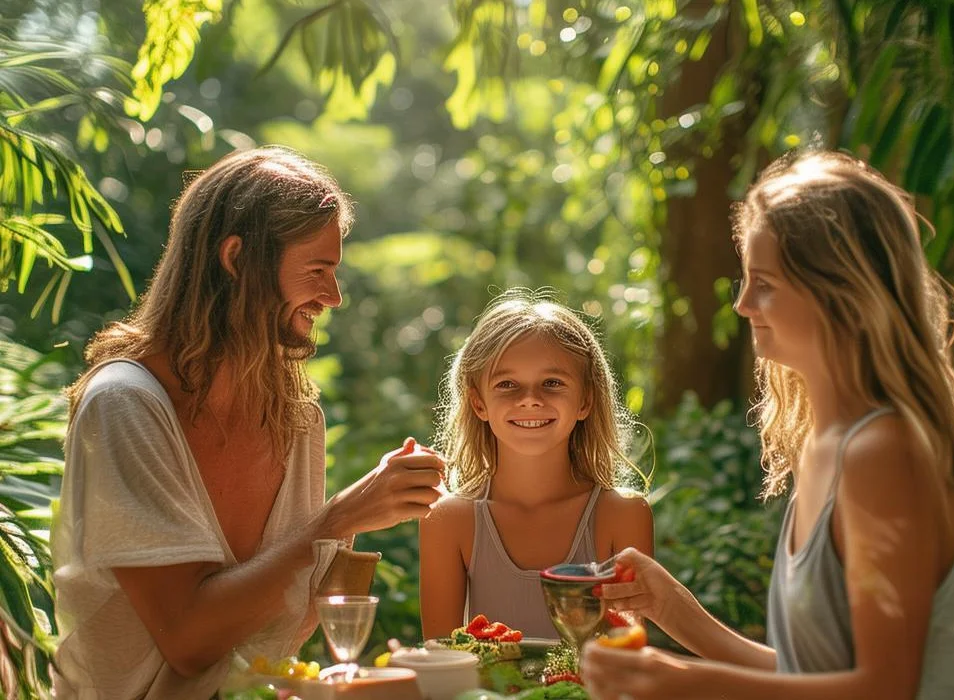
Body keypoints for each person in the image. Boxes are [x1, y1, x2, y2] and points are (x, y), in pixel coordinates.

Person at [581, 150, 954, 699]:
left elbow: (884, 690)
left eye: (766, 282)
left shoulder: (881, 452)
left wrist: (679, 683)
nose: (745, 304)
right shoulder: (830, 443)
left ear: (841, 293)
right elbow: (811, 676)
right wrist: (674, 612)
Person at [52, 146, 447, 699]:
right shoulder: (126, 405)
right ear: (236, 259)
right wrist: (338, 517)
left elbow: (286, 630)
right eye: (317, 271)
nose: (333, 297)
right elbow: (189, 643)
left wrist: (365, 518)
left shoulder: (293, 414)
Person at [419, 290, 654, 640]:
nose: (530, 399)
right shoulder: (447, 520)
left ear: (586, 400)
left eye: (552, 383)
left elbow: (627, 657)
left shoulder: (623, 515)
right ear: (478, 403)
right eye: (507, 384)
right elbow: (442, 663)